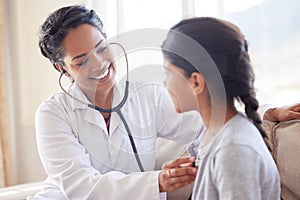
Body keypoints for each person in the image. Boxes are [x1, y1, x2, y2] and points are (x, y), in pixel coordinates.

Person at [29, 5, 202, 200]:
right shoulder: (53, 114)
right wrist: (158, 182)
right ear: (62, 68)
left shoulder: (147, 95)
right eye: (81, 61)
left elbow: (201, 129)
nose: (99, 64)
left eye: (101, 48)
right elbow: (82, 188)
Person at [161, 17, 281, 199]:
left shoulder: (234, 150)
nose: (165, 83)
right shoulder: (222, 135)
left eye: (168, 72)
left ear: (196, 82)